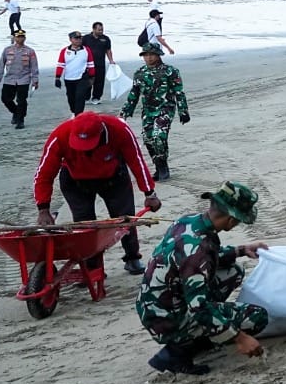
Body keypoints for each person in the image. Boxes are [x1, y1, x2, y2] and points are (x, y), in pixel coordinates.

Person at [135, 181, 269, 376]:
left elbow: (206, 258)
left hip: (155, 305)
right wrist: (239, 337)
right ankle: (179, 351)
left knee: (233, 272)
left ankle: (201, 335)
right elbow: (199, 307)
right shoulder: (198, 251)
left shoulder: (188, 221)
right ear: (232, 220)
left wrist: (240, 250)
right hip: (167, 320)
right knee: (257, 317)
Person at [33, 112, 161, 275]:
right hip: (75, 181)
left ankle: (132, 257)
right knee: (84, 225)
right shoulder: (60, 135)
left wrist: (149, 193)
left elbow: (136, 161)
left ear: (101, 132)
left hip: (113, 178)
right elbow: (44, 173)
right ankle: (92, 266)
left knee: (124, 218)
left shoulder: (119, 130)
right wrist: (43, 209)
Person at [121, 43, 190, 180]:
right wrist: (125, 112)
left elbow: (179, 92)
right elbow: (134, 94)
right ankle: (158, 165)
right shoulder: (139, 73)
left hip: (165, 108)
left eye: (152, 54)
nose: (149, 58)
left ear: (158, 55)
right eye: (146, 55)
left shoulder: (170, 71)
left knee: (159, 136)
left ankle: (163, 166)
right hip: (148, 110)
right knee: (148, 139)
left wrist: (183, 111)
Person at [0, 29, 39, 129]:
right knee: (5, 99)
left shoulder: (30, 51)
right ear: (14, 38)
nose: (20, 38)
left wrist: (35, 81)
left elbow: (34, 67)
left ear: (25, 38)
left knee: (21, 100)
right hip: (9, 79)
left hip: (24, 79)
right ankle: (16, 112)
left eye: (22, 36)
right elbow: (1, 65)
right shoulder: (7, 50)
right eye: (18, 37)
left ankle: (20, 121)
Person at [54, 30, 94, 117]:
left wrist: (92, 77)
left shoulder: (86, 50)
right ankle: (73, 112)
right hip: (69, 78)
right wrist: (57, 77)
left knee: (80, 97)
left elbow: (90, 64)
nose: (79, 40)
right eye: (76, 38)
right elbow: (61, 65)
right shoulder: (64, 51)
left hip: (82, 77)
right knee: (71, 98)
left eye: (80, 38)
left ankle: (78, 115)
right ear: (70, 39)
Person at [83, 22, 115, 105]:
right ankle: (86, 97)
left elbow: (108, 50)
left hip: (100, 63)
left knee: (99, 81)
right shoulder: (85, 38)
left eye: (102, 30)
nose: (101, 31)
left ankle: (96, 98)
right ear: (93, 29)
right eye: (99, 30)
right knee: (87, 80)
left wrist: (111, 60)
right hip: (88, 64)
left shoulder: (105, 39)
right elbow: (80, 50)